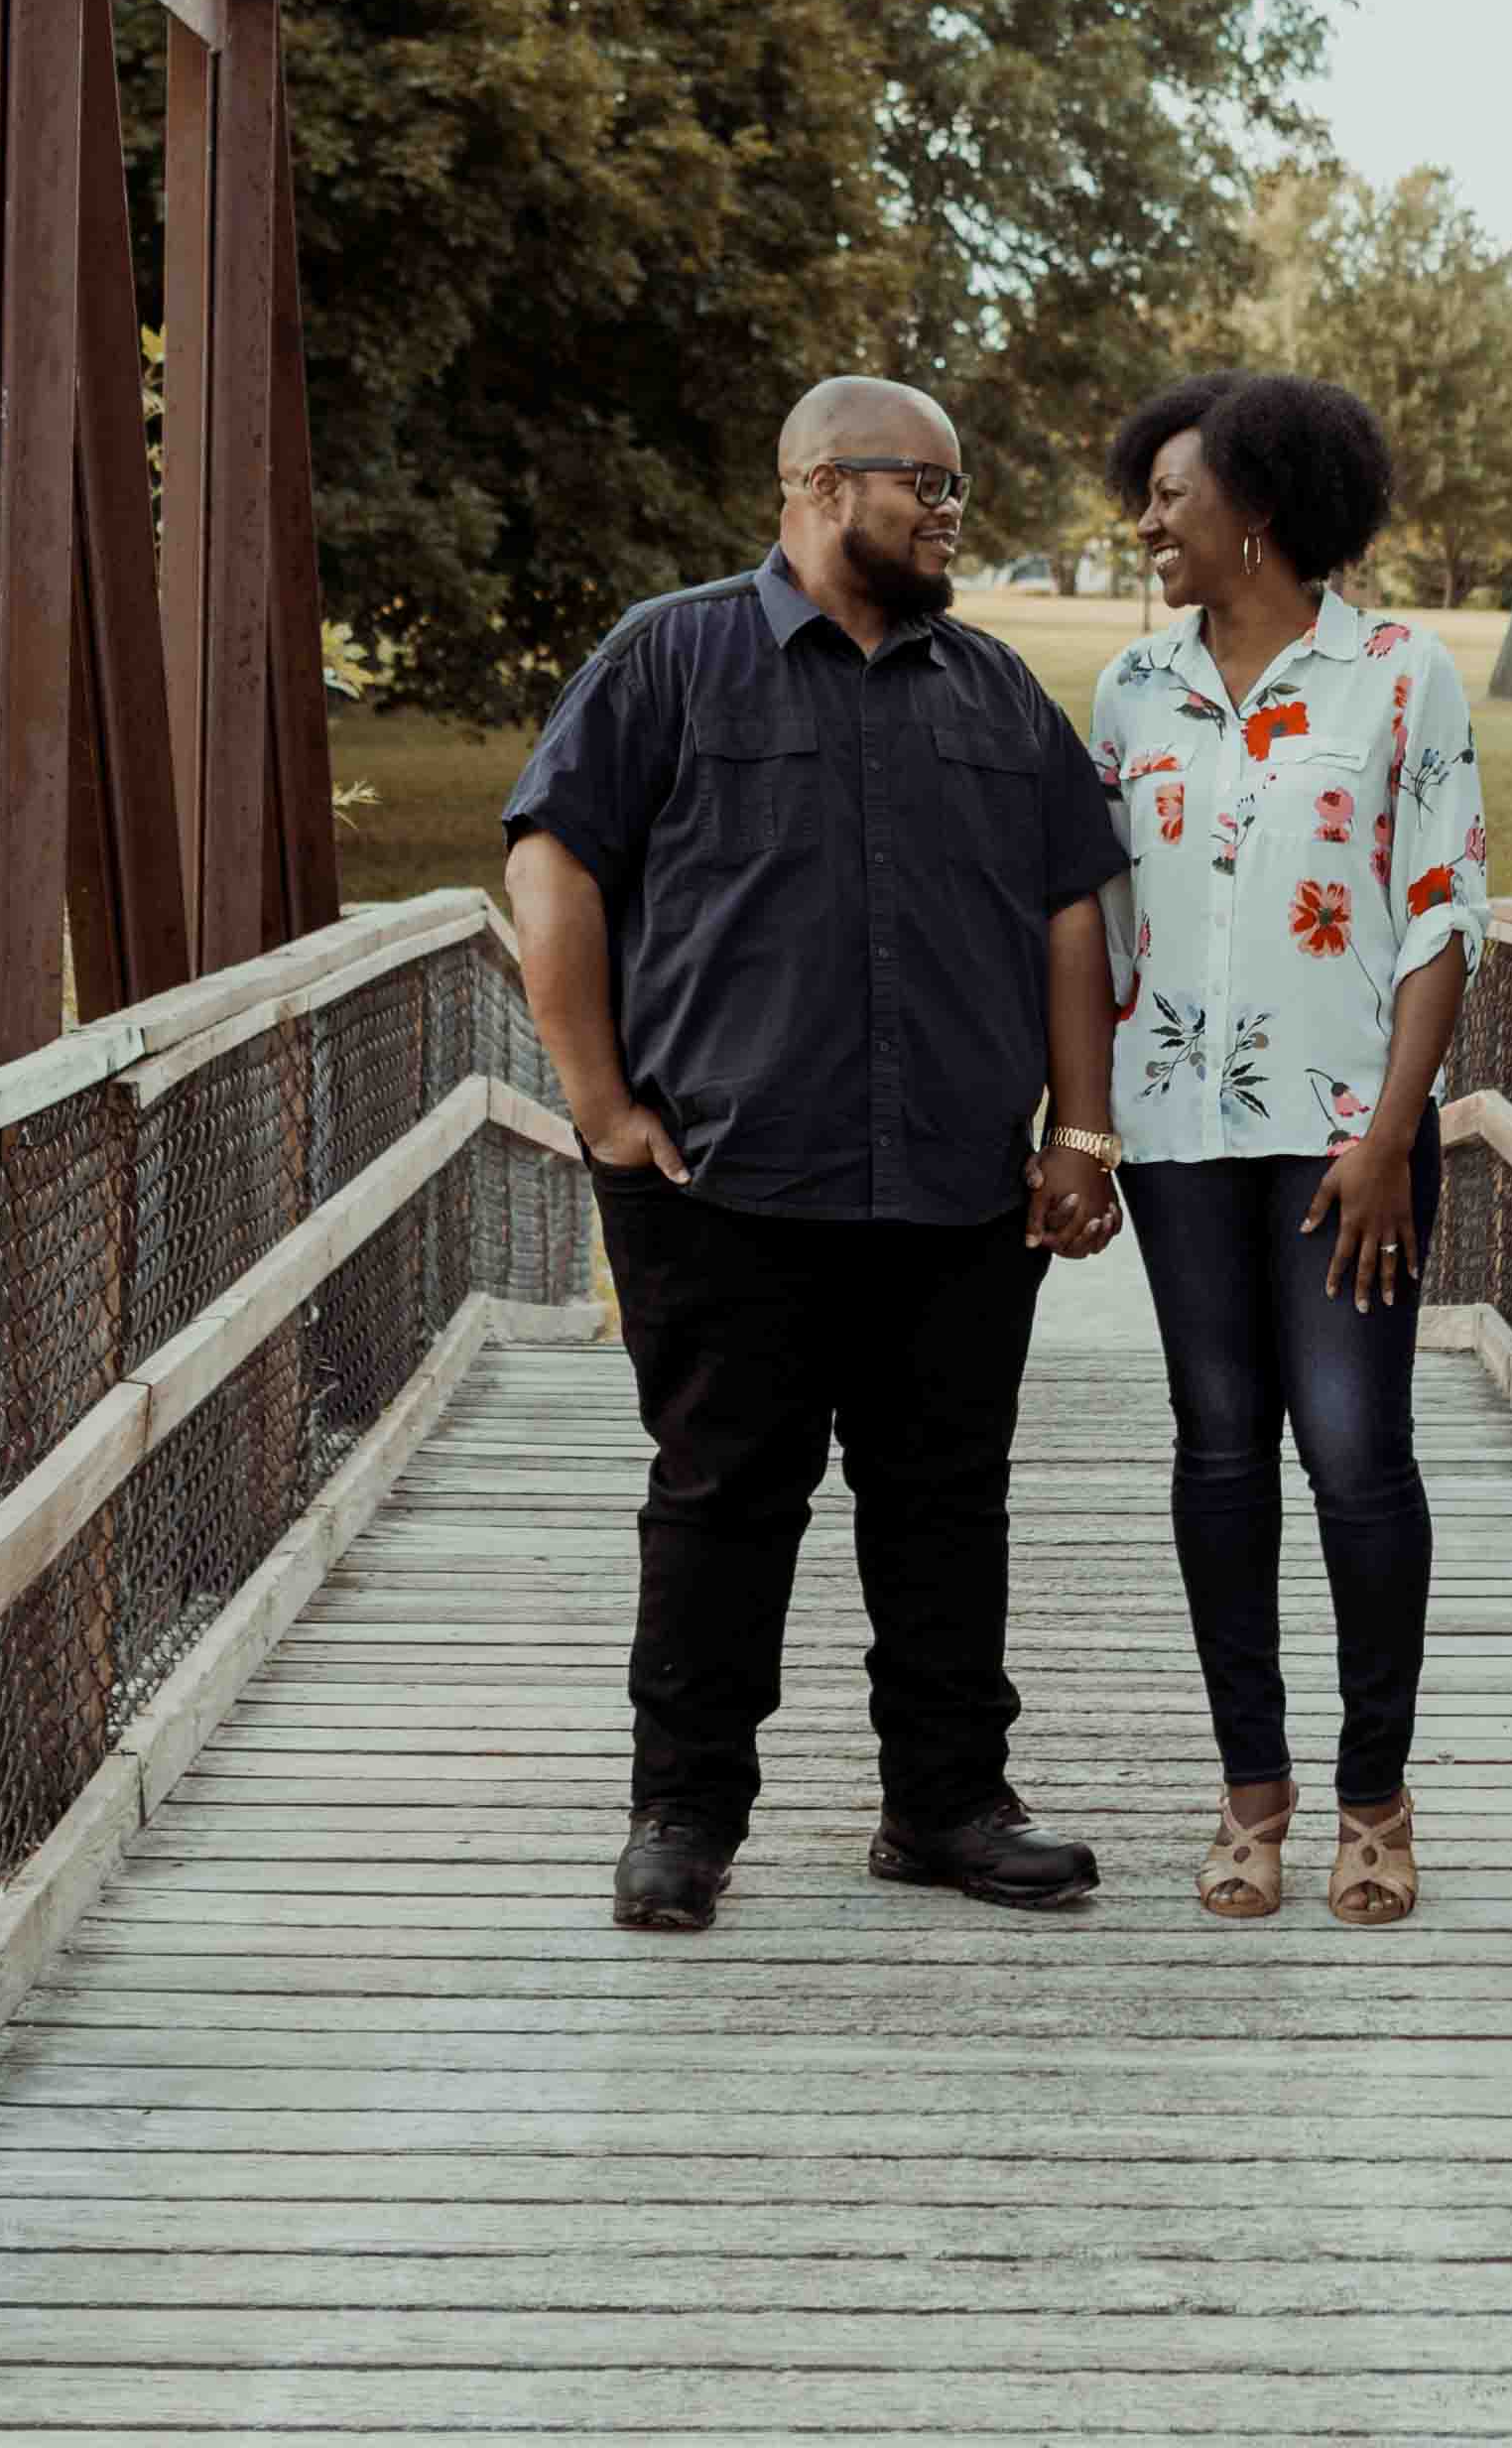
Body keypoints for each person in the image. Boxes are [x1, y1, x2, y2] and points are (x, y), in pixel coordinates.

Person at [499, 376, 1132, 1933]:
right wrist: (598, 1101)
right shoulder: (673, 654)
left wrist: (1082, 1127)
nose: (948, 513)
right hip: (723, 1179)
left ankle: (945, 1805)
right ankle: (686, 1815)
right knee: (723, 1496)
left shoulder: (996, 694)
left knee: (947, 1500)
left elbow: (1071, 908)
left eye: (957, 491)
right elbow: (552, 859)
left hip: (954, 1183)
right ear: (819, 485)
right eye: (925, 484)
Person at [1084, 371, 1490, 1927]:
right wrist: (1085, 1127)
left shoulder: (1400, 677)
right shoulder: (1131, 689)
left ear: (1257, 508)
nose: (1149, 521)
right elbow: (1100, 927)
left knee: (1355, 1453)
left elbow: (1445, 909)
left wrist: (1393, 1137)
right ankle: (1251, 1800)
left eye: (1172, 496)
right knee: (1216, 1452)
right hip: (1184, 1139)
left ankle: (1375, 1802)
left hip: (1349, 1141)